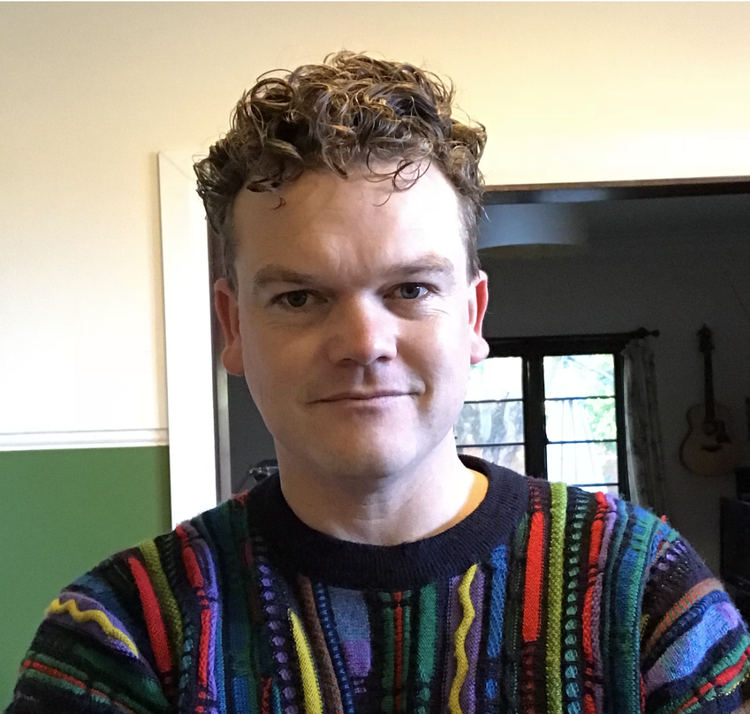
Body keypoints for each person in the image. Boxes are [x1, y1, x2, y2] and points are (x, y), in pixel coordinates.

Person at [6, 52, 749, 714]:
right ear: (232, 327)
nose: (364, 343)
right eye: (299, 297)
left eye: (411, 290)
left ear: (472, 315)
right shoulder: (122, 639)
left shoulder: (642, 592)